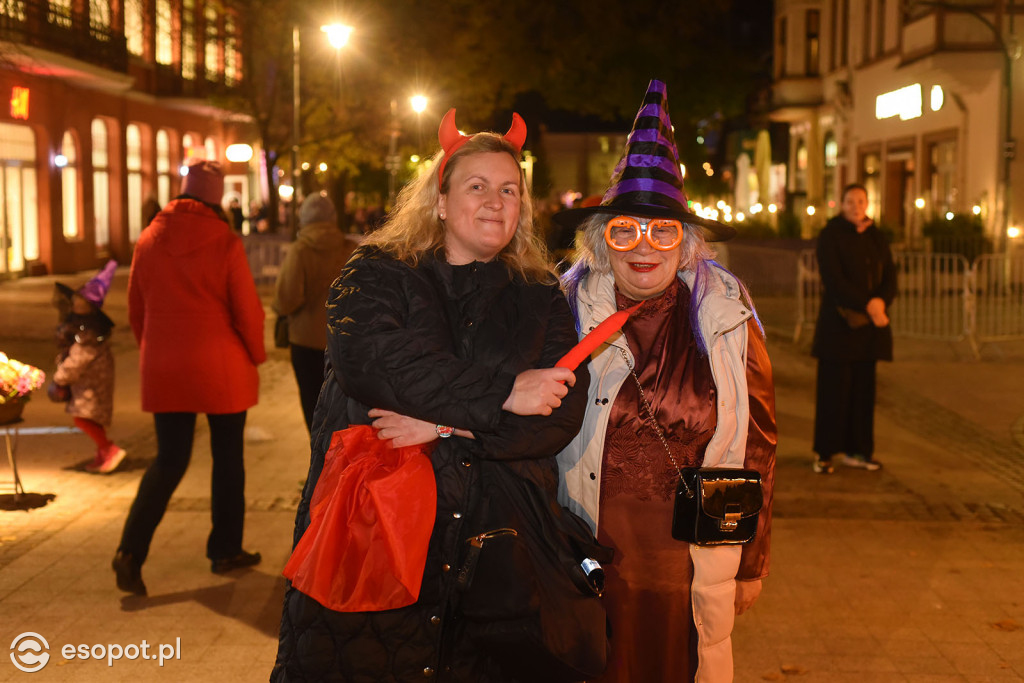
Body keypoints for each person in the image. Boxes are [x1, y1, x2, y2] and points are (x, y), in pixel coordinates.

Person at [271, 109, 589, 681]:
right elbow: (375, 362)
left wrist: (446, 426)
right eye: (477, 186)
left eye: (509, 190)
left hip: (495, 549)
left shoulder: (540, 294)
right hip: (375, 535)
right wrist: (505, 392)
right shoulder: (376, 271)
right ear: (440, 201)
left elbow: (557, 416)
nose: (495, 201)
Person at [553, 80, 777, 682]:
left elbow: (757, 445)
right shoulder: (563, 314)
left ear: (688, 244)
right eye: (624, 230)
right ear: (602, 242)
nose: (643, 247)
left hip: (689, 559)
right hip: (589, 550)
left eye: (663, 231)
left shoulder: (728, 320)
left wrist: (750, 560)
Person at [113, 160, 267, 596]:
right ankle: (225, 549)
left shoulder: (149, 239)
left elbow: (136, 309)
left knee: (169, 460)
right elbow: (246, 309)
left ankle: (130, 551)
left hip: (166, 366)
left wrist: (155, 351)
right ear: (215, 198)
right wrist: (256, 354)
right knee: (228, 458)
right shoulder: (225, 241)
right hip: (221, 365)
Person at [811, 183, 896, 474]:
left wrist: (881, 301)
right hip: (839, 329)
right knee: (833, 392)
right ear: (842, 204)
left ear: (867, 204)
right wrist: (867, 304)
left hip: (868, 330)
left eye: (861, 201)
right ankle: (824, 453)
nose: (856, 206)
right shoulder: (831, 235)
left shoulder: (876, 236)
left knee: (863, 393)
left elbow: (890, 275)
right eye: (850, 201)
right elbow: (834, 279)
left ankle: (859, 451)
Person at [273, 192, 360, 432]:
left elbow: (287, 299)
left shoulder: (300, 250)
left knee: (313, 408)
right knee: (342, 411)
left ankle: (319, 452)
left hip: (306, 343)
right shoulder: (350, 250)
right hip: (344, 341)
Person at [51, 260, 126, 474]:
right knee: (90, 418)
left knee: (82, 418)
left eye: (80, 301)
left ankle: (109, 449)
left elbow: (78, 359)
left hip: (92, 384)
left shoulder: (89, 333)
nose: (75, 304)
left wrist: (59, 378)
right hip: (90, 382)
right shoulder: (86, 327)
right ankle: (102, 452)